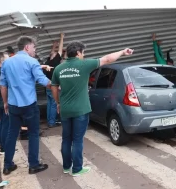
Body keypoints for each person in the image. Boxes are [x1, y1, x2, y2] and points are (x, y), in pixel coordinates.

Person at [51, 41, 133, 177]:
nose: (84, 55)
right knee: (77, 140)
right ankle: (77, 169)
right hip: (81, 110)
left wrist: (58, 102)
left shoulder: (59, 68)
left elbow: (53, 86)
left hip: (65, 109)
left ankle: (66, 166)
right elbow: (107, 59)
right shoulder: (84, 65)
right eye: (83, 53)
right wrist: (122, 52)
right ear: (78, 53)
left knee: (66, 138)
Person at [0, 36, 51, 175]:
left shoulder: (7, 63)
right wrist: (57, 85)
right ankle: (33, 165)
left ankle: (7, 165)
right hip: (29, 106)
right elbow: (42, 80)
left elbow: (3, 86)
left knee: (12, 134)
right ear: (27, 47)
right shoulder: (32, 61)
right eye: (34, 48)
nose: (35, 51)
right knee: (33, 133)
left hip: (13, 105)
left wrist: (5, 102)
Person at [43, 32, 65, 128]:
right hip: (53, 86)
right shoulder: (55, 61)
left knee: (49, 104)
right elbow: (60, 50)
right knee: (54, 104)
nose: (57, 54)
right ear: (54, 57)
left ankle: (49, 120)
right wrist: (62, 38)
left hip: (47, 86)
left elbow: (52, 53)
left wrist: (53, 46)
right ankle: (52, 122)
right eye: (56, 54)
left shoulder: (48, 62)